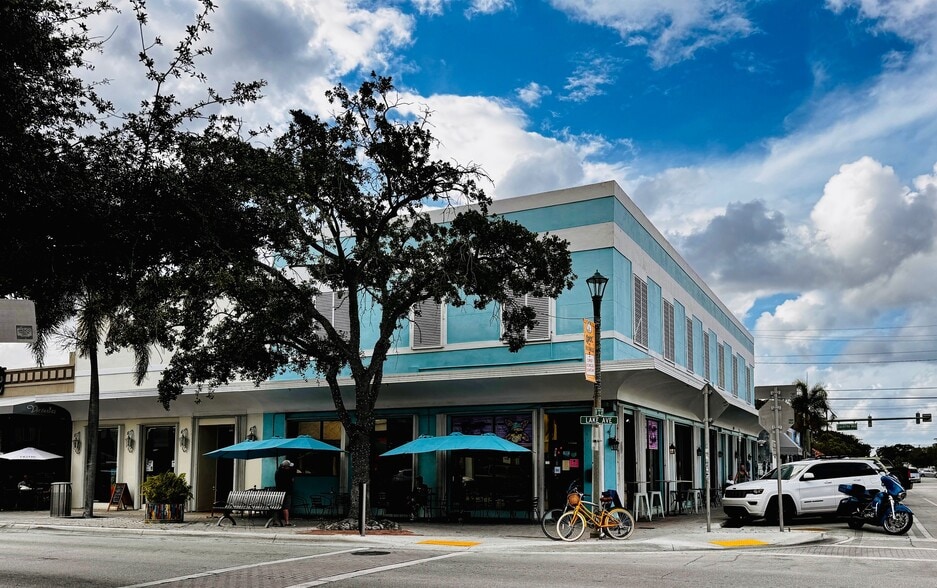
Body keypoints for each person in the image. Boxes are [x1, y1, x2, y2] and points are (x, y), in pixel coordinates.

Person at [274, 459, 296, 526]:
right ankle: (287, 522)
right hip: (287, 492)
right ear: (286, 467)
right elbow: (292, 480)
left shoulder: (277, 472)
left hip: (279, 492)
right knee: (286, 507)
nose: (290, 467)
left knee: (277, 506)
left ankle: (276, 521)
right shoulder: (288, 473)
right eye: (289, 466)